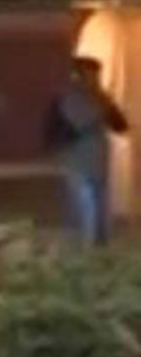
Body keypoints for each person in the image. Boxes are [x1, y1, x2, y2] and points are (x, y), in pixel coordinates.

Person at [45, 56, 128, 245]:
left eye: (97, 75)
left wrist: (108, 104)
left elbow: (120, 126)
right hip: (77, 162)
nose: (96, 79)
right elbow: (82, 123)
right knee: (86, 209)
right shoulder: (69, 97)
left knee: (101, 210)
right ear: (79, 76)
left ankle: (101, 247)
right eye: (91, 75)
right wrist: (102, 105)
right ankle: (85, 248)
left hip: (99, 161)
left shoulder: (100, 97)